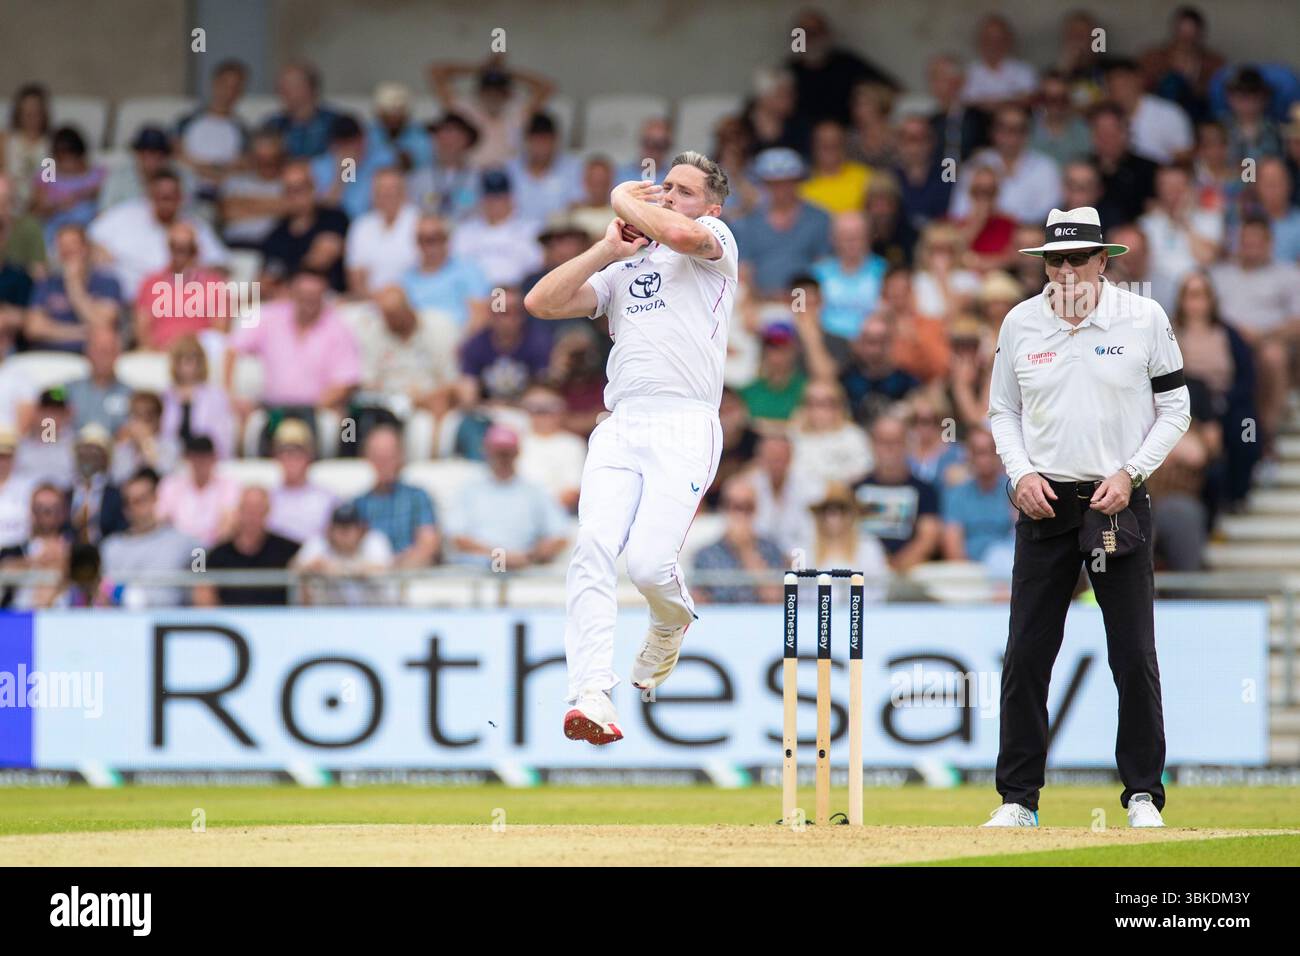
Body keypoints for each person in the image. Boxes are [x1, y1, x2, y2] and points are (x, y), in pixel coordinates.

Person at [984, 205, 1191, 828]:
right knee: (1026, 654)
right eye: (1056, 259)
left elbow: (1175, 408)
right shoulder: (1021, 321)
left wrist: (1132, 473)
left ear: (1104, 260)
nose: (1067, 270)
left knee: (1131, 653)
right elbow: (1002, 412)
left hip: (1116, 501)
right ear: (1043, 264)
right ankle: (1018, 800)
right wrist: (1019, 474)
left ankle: (1143, 795)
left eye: (1079, 258)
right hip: (1045, 501)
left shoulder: (1143, 317)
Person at [524, 150, 736, 745]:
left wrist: (624, 195)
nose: (668, 196)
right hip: (621, 424)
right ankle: (591, 693)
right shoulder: (627, 264)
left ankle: (671, 619)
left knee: (647, 565)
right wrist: (608, 248)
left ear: (712, 206)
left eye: (683, 190)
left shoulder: (714, 243)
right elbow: (541, 303)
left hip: (686, 423)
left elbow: (676, 231)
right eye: (663, 187)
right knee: (591, 546)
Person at [446, 424, 569, 568]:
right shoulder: (468, 489)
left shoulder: (535, 490)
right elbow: (457, 538)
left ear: (517, 452)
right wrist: (501, 557)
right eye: (498, 452)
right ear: (486, 451)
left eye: (507, 452)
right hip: (475, 568)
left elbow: (560, 534)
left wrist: (531, 556)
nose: (502, 458)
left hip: (525, 569)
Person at [730, 149, 831, 297]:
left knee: (803, 315)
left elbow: (825, 267)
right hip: (762, 302)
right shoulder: (748, 222)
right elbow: (744, 269)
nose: (781, 190)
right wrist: (754, 302)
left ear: (798, 182)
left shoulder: (818, 219)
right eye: (773, 184)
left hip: (803, 300)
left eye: (787, 183)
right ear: (763, 185)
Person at [853, 416, 942, 573]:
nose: (889, 448)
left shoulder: (925, 491)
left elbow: (928, 539)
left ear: (907, 445)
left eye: (895, 441)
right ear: (872, 445)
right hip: (863, 572)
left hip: (907, 573)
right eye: (883, 442)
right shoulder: (855, 489)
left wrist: (895, 568)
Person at [100, 467, 199, 608]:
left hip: (170, 619)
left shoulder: (181, 542)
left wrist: (198, 577)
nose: (136, 508)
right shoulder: (111, 547)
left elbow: (201, 554)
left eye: (142, 500)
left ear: (155, 499)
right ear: (125, 509)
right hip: (123, 620)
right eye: (130, 502)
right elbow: (104, 587)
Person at [194, 486, 300, 607]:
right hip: (229, 622)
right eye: (248, 509)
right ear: (239, 511)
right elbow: (202, 590)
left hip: (277, 621)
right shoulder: (217, 554)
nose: (252, 516)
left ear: (267, 511)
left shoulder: (288, 550)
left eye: (258, 509)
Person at [23, 224, 122, 352]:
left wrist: (73, 285)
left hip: (88, 357)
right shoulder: (47, 283)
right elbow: (33, 328)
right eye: (62, 246)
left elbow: (102, 324)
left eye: (72, 245)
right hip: (48, 355)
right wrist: (82, 332)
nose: (67, 250)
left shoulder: (107, 283)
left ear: (86, 249)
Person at [353, 425, 440, 568]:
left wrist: (391, 566)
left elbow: (428, 546)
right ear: (367, 459)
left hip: (407, 576)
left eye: (390, 456)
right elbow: (346, 550)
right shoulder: (358, 504)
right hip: (368, 580)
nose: (385, 463)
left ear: (401, 457)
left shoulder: (418, 497)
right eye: (378, 457)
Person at [692, 474, 786, 605]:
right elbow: (700, 607)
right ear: (722, 508)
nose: (740, 515)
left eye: (747, 507)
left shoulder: (771, 550)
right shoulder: (705, 555)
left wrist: (746, 550)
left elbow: (776, 600)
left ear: (756, 510)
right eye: (734, 506)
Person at [259, 160, 350, 293]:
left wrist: (283, 284)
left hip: (331, 298)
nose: (294, 196)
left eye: (300, 189)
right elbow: (266, 280)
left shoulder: (334, 218)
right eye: (288, 191)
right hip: (287, 302)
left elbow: (319, 262)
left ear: (313, 188)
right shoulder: (275, 234)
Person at [940, 427, 1016, 576]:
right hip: (970, 572)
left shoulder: (1012, 490)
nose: (985, 459)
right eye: (979, 453)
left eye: (990, 452)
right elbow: (952, 546)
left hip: (1007, 566)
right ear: (969, 456)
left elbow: (1020, 535)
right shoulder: (957, 494)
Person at [292, 502, 395, 606]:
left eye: (349, 528)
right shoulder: (319, 543)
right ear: (331, 530)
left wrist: (347, 570)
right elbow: (295, 567)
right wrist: (316, 566)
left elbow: (384, 568)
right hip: (331, 614)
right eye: (339, 528)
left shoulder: (374, 541)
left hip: (374, 613)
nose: (344, 534)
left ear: (360, 529)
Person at [400, 214, 491, 330]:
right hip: (420, 339)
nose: (429, 245)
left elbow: (480, 315)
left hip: (459, 336)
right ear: (417, 242)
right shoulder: (407, 278)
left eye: (435, 238)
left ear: (446, 239)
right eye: (423, 239)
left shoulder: (468, 269)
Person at [344, 166, 419, 296]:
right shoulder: (361, 225)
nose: (386, 194)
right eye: (380, 189)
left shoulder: (420, 221)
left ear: (404, 191)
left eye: (392, 189)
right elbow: (356, 277)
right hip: (369, 301)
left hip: (413, 300)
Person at [156, 435, 240, 547]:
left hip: (214, 548)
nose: (200, 463)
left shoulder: (228, 485)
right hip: (177, 548)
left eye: (205, 457)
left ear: (214, 458)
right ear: (188, 459)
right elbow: (160, 519)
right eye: (196, 457)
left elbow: (229, 523)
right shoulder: (172, 485)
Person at [267, 417, 335, 544]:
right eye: (285, 453)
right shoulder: (267, 498)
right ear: (276, 457)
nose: (291, 459)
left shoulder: (327, 498)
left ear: (309, 456)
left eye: (297, 453)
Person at [264, 62, 342, 159]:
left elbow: (349, 162)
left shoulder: (336, 124)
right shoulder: (273, 125)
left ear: (311, 87)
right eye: (280, 86)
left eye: (291, 85)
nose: (283, 91)